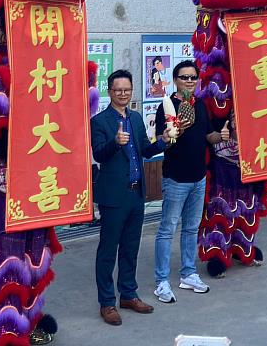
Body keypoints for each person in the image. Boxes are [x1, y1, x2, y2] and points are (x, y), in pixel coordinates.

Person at [91, 69, 168, 326]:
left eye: (127, 90)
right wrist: (115, 142)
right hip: (113, 196)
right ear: (109, 92)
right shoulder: (99, 121)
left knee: (131, 247)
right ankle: (107, 302)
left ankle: (128, 294)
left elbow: (145, 148)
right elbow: (100, 155)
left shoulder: (135, 119)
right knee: (107, 251)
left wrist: (162, 142)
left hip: (137, 193)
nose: (123, 94)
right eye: (118, 90)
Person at [153, 60, 226, 304]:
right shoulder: (167, 106)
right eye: (184, 77)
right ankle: (161, 281)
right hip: (175, 178)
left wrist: (223, 135)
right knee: (167, 229)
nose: (189, 81)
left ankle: (188, 274)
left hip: (198, 177)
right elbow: (167, 140)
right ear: (175, 80)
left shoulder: (201, 105)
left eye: (193, 77)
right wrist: (176, 131)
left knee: (191, 228)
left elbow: (209, 136)